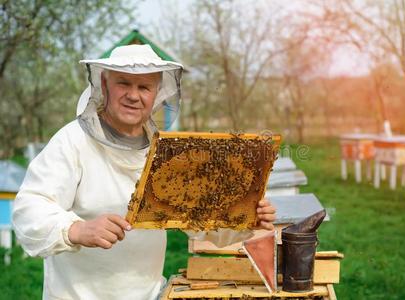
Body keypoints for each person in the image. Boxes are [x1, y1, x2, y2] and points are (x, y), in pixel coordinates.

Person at [12, 44, 276, 299]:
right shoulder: (72, 142)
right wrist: (77, 229)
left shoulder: (168, 153)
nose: (134, 95)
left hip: (149, 294)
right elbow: (28, 210)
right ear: (104, 85)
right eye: (123, 83)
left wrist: (245, 216)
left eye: (144, 87)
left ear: (157, 93)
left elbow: (202, 223)